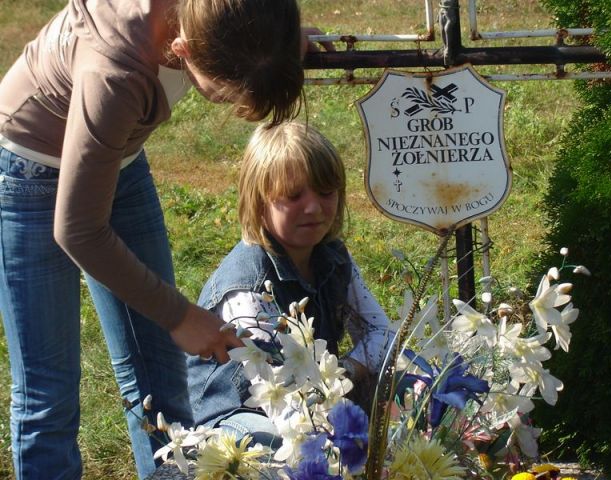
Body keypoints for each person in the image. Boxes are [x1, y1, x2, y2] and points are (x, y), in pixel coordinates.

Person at [0, 1, 331, 478]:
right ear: (182, 49)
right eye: (224, 94)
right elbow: (79, 229)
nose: (231, 102)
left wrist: (275, 43)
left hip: (118, 154)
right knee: (48, 396)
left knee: (163, 379)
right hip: (28, 171)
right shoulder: (113, 70)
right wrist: (179, 315)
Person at [187, 121, 392, 448]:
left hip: (315, 397)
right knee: (271, 443)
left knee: (407, 387)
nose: (313, 207)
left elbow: (382, 333)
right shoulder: (246, 287)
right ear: (259, 202)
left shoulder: (332, 256)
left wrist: (346, 371)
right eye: (294, 196)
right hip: (239, 415)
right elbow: (283, 403)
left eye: (325, 192)